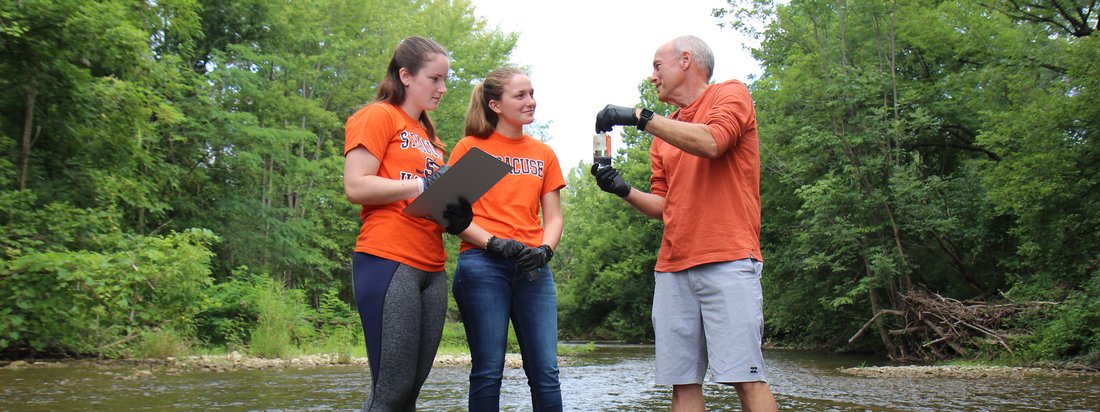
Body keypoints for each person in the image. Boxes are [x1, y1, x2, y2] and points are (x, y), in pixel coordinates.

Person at [590, 35, 779, 412]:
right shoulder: (662, 138)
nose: (652, 76)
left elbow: (713, 142)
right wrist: (622, 188)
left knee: (746, 377)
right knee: (682, 384)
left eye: (657, 66)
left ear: (686, 60)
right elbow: (664, 205)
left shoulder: (730, 93)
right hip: (673, 268)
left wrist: (639, 117)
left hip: (728, 259)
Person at [342, 35, 473, 411]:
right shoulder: (377, 115)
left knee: (411, 390)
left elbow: (428, 199)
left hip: (431, 267)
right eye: (435, 79)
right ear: (406, 75)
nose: (443, 88)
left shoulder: (432, 140)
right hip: (387, 258)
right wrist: (421, 183)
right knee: (391, 388)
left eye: (445, 80)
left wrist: (455, 213)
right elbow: (356, 186)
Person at [449, 66, 566, 411]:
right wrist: (492, 243)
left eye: (531, 93)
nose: (531, 101)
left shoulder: (543, 153)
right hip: (483, 265)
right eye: (520, 95)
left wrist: (545, 249)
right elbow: (452, 216)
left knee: (546, 371)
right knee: (488, 371)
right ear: (495, 105)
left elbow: (554, 217)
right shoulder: (472, 148)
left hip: (533, 269)